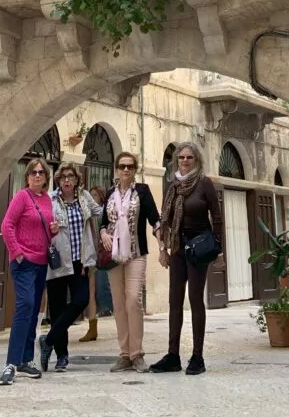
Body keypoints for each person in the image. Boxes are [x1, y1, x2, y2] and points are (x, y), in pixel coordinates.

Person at [150, 142, 222, 376]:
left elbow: (217, 218)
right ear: (176, 160)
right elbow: (165, 219)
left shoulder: (204, 183)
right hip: (178, 248)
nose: (185, 160)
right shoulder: (173, 187)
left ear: (197, 160)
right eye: (181, 157)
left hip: (198, 249)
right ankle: (173, 356)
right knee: (174, 301)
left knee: (195, 300)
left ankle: (198, 356)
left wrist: (218, 251)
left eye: (189, 157)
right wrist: (163, 249)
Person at [0, 158, 59, 386]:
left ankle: (25, 359)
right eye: (33, 172)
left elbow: (44, 231)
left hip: (41, 262)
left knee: (34, 310)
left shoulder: (46, 200)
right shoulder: (22, 197)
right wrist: (17, 252)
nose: (37, 175)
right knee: (24, 306)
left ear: (45, 177)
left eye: (41, 172)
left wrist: (52, 231)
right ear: (27, 176)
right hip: (24, 262)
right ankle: (11, 363)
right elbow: (7, 225)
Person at [99, 152, 160, 373]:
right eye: (122, 166)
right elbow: (103, 221)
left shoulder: (142, 191)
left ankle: (137, 354)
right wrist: (103, 232)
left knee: (133, 299)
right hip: (113, 254)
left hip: (136, 252)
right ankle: (124, 354)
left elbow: (154, 217)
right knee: (118, 303)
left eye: (130, 166)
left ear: (135, 170)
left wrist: (161, 237)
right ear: (116, 169)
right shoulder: (109, 193)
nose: (126, 170)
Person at [39, 163, 103, 372]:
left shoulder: (84, 198)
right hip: (58, 260)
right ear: (58, 180)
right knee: (57, 309)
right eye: (63, 177)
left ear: (76, 180)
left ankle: (47, 340)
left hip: (80, 261)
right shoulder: (50, 199)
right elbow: (40, 222)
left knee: (81, 299)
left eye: (71, 177)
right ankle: (62, 357)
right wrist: (50, 228)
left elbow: (101, 211)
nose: (67, 180)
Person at [79, 186, 108, 343]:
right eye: (91, 194)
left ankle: (92, 328)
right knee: (90, 292)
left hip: (97, 257)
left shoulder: (99, 214)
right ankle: (92, 327)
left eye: (95, 195)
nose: (92, 197)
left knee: (92, 292)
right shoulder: (90, 213)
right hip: (92, 257)